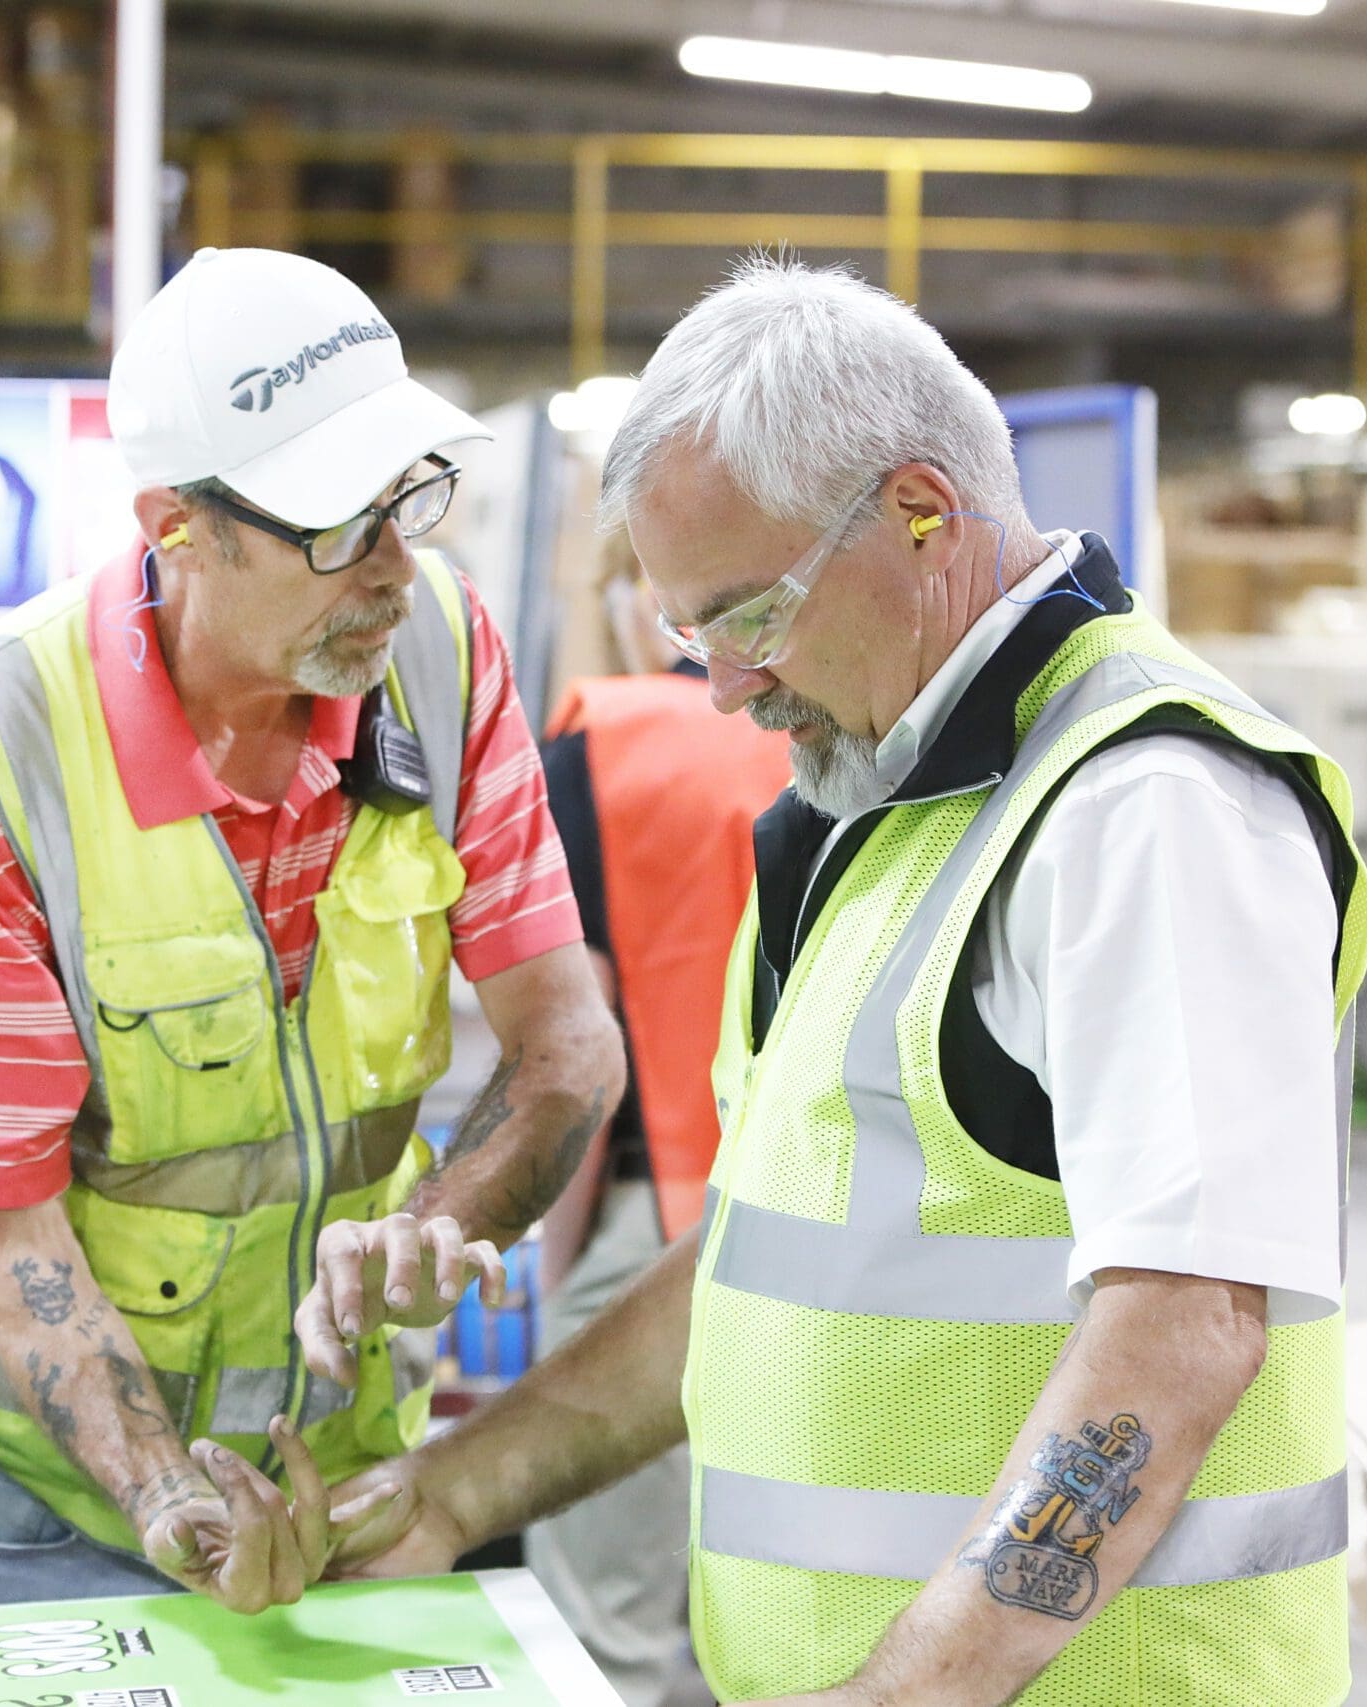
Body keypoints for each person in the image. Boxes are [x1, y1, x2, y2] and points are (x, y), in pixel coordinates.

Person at [325, 256, 1367, 1706]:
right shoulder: (878, 809)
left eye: (749, 616)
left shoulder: (1144, 804)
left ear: (923, 511)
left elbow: (1181, 1325)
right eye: (691, 634)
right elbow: (760, 1266)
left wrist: (907, 1692)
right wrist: (453, 1489)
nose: (725, 686)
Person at [0, 246, 624, 1615]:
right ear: (178, 527)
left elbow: (568, 1048)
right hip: (32, 1516)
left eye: (406, 499)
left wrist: (434, 1225)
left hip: (350, 1481)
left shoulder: (440, 656)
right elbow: (12, 1239)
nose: (394, 568)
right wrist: (171, 1500)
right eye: (338, 526)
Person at [524, 539, 791, 1706]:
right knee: (801, 1636)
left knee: (603, 1639)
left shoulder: (603, 747)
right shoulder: (855, 741)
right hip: (831, 1237)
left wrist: (560, 1259)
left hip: (647, 1224)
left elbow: (573, 1048)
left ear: (650, 603)